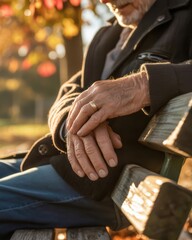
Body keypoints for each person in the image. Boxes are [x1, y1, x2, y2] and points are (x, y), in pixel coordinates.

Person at [0, 0, 192, 239]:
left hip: (103, 185)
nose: (104, 1)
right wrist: (70, 122)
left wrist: (141, 85)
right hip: (60, 162)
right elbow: (70, 90)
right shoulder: (109, 33)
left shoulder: (184, 17)